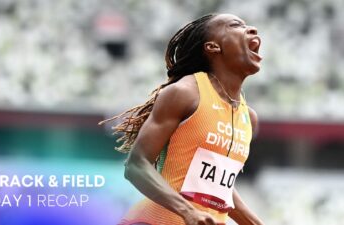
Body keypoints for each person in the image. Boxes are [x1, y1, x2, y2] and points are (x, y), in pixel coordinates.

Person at [100, 13, 265, 225]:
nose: (252, 30)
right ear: (212, 47)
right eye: (236, 26)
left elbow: (219, 189)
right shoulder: (185, 93)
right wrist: (187, 211)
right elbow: (136, 166)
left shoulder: (248, 118)